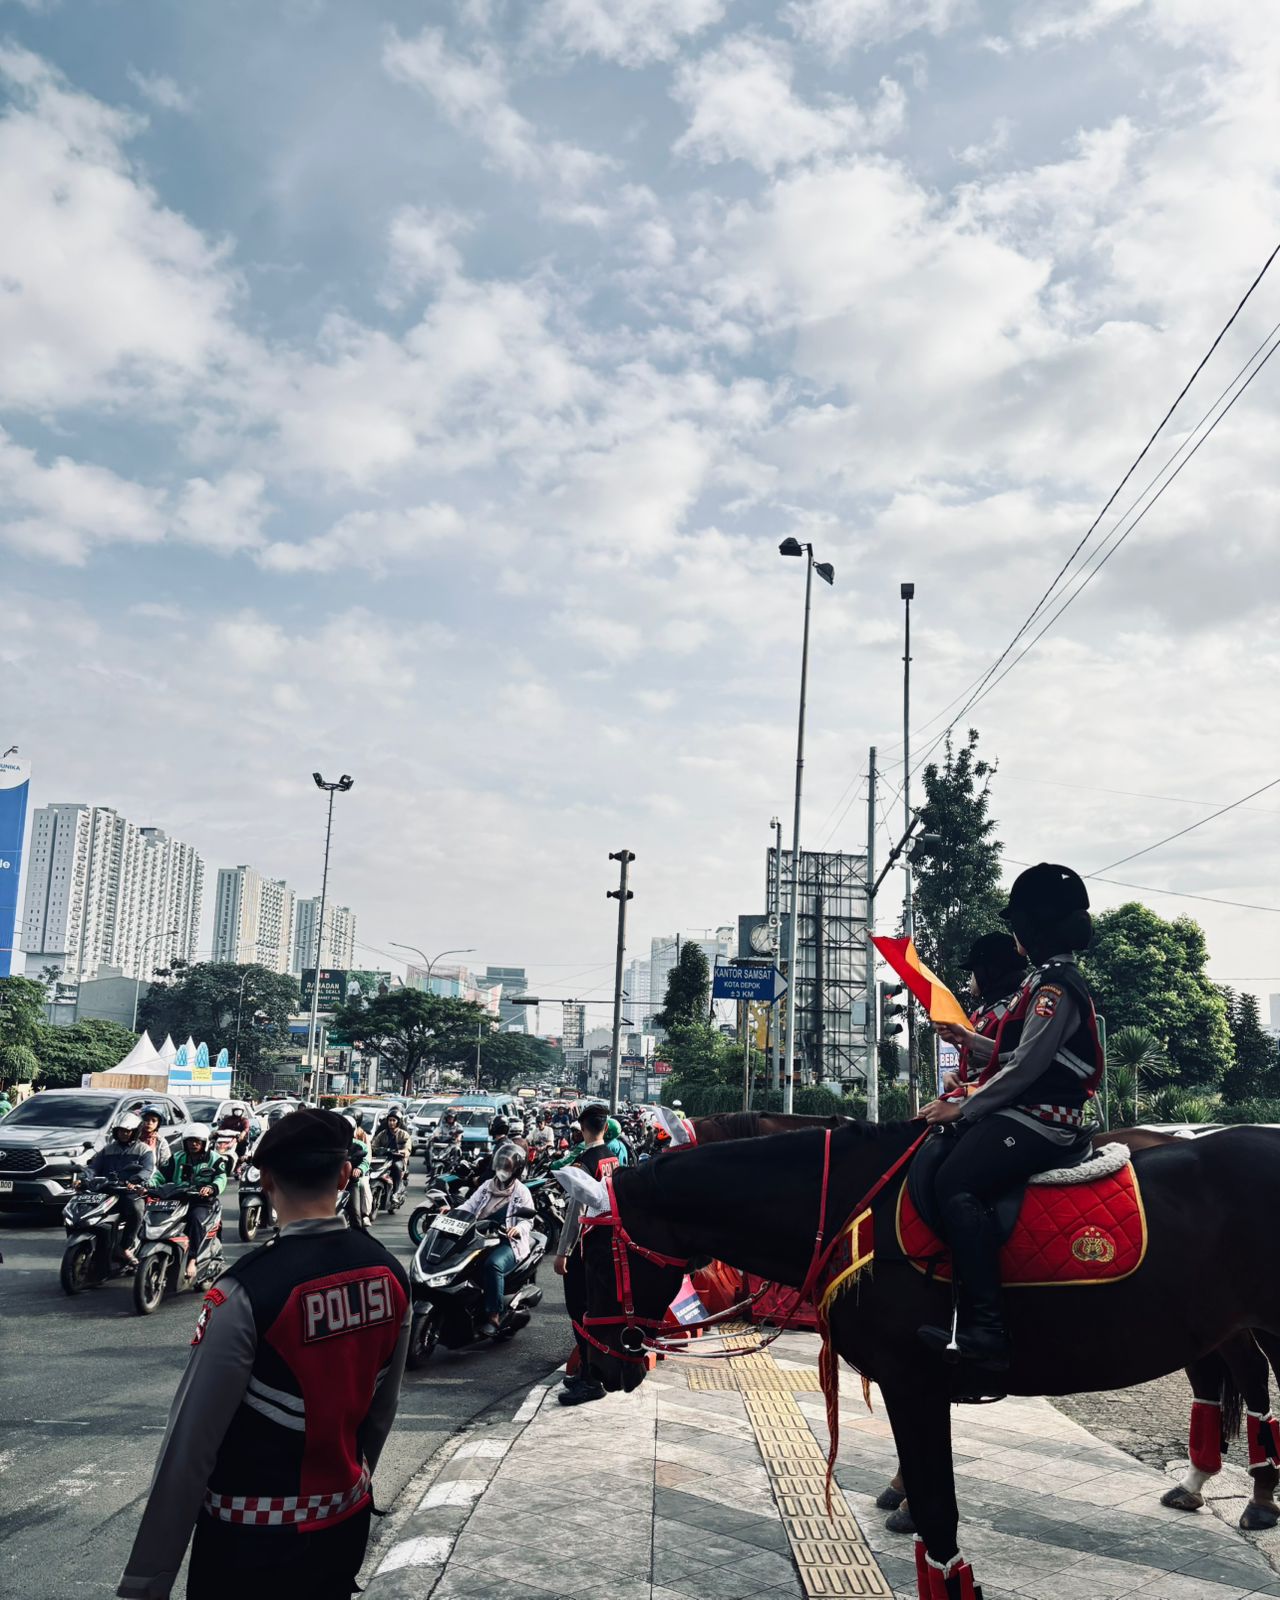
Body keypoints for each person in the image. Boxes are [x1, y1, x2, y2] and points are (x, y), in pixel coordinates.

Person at [117, 1108, 410, 1600]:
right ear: (344, 1174)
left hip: (251, 1543)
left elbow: (189, 1448)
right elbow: (382, 1411)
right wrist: (347, 1490)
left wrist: (146, 1582)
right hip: (344, 1522)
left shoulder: (246, 1292)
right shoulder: (390, 1274)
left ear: (266, 1178)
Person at [918, 863, 1105, 1366]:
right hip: (1027, 1110)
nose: (1015, 934)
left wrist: (958, 1108)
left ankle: (986, 1330)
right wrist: (970, 1041)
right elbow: (1014, 1052)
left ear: (1035, 927)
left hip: (1045, 1119)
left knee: (955, 1184)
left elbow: (1025, 1069)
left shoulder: (1055, 988)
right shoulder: (1042, 982)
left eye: (1020, 924)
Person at [552, 1103, 619, 1406]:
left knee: (579, 1311)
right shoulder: (612, 1158)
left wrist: (563, 1252)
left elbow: (575, 1212)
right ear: (605, 1126)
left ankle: (590, 1380)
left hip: (585, 1245)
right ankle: (587, 1372)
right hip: (607, 1243)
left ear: (582, 1128)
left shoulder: (584, 1162)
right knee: (595, 1309)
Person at [454, 1141, 535, 1338]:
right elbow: (469, 1206)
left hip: (508, 1242)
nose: (502, 1170)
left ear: (515, 1170)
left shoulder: (521, 1192)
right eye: (500, 1165)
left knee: (492, 1265)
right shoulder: (487, 1186)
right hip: (482, 1238)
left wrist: (517, 1229)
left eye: (507, 1166)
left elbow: (528, 1221)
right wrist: (452, 1213)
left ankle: (494, 1314)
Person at [943, 933, 1029, 1095]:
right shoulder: (980, 1014)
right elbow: (973, 1064)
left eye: (974, 970)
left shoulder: (1018, 1008)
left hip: (998, 1101)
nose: (972, 978)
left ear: (991, 970)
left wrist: (967, 1038)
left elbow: (1020, 1060)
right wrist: (952, 1074)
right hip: (971, 1099)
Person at [160, 1127, 230, 1282]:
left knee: (195, 1219)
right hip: (178, 1199)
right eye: (190, 1141)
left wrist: (210, 1187)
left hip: (202, 1201)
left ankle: (192, 1260)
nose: (193, 1144)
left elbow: (221, 1178)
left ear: (204, 1143)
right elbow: (160, 1175)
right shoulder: (177, 1157)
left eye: (197, 1141)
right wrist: (148, 1185)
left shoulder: (214, 1158)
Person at [86, 1111, 155, 1268]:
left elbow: (147, 1170)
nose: (123, 1134)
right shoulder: (108, 1149)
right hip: (107, 1191)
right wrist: (85, 1178)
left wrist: (134, 1181)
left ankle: (125, 1247)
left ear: (134, 1132)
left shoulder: (143, 1150)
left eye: (127, 1131)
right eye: (120, 1131)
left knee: (137, 1209)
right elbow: (94, 1167)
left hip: (129, 1193)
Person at [343, 1112, 374, 1229]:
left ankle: (360, 1230)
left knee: (355, 1215)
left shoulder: (359, 1145)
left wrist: (359, 1169)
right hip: (332, 1184)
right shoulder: (332, 1145)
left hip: (350, 1182)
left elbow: (366, 1160)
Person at [371, 1111, 411, 1198]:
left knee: (396, 1167)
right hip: (384, 1159)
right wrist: (377, 1149)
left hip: (398, 1159)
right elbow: (373, 1145)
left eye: (394, 1120)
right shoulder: (382, 1134)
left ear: (398, 1122)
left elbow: (407, 1148)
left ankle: (396, 1192)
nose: (391, 1122)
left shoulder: (403, 1134)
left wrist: (401, 1151)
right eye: (389, 1120)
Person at [137, 1106, 172, 1174]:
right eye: (146, 1119)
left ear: (158, 1123)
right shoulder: (134, 1140)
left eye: (154, 1120)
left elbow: (165, 1165)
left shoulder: (161, 1142)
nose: (150, 1123)